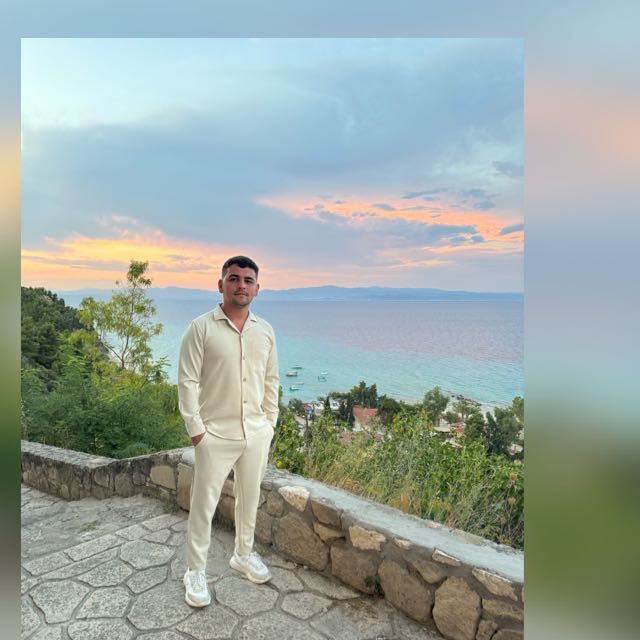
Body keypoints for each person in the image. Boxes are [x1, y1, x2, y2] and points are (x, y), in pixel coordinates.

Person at [178, 255, 279, 607]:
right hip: (215, 434)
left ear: (257, 288)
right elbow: (187, 381)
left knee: (249, 497)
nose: (241, 285)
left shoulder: (265, 331)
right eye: (234, 278)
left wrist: (269, 423)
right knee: (203, 506)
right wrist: (197, 431)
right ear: (221, 284)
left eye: (248, 280)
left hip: (256, 432)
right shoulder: (200, 328)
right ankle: (195, 570)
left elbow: (271, 380)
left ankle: (243, 554)